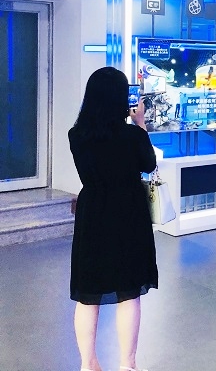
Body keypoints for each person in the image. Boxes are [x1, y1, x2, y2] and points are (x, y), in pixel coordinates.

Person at [69, 67, 158, 371]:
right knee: (128, 291)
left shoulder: (77, 136)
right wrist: (140, 123)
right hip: (128, 213)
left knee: (88, 293)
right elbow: (149, 164)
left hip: (93, 213)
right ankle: (127, 364)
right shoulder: (131, 135)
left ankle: (88, 363)